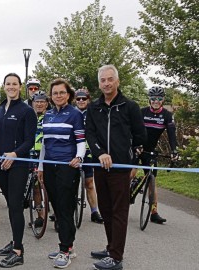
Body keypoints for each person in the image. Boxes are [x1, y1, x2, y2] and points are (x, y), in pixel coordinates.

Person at [86, 65, 147, 270]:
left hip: (121, 168)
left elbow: (140, 137)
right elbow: (90, 134)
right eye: (103, 80)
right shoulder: (94, 107)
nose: (106, 83)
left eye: (110, 79)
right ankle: (111, 247)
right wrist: (100, 153)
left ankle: (116, 257)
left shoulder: (130, 106)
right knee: (105, 210)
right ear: (99, 83)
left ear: (117, 81)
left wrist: (132, 161)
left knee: (119, 212)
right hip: (100, 167)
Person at [0, 73, 36, 268]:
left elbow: (29, 141)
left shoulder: (27, 111)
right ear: (4, 86)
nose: (11, 87)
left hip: (18, 165)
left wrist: (14, 154)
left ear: (20, 86)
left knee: (16, 206)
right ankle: (15, 241)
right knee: (11, 205)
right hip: (0, 166)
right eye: (8, 84)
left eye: (14, 84)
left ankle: (18, 251)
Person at [38, 78, 86, 269]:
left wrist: (79, 158)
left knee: (66, 208)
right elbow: (44, 143)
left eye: (62, 92)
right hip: (49, 167)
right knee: (57, 208)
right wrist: (40, 167)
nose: (58, 96)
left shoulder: (75, 114)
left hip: (67, 166)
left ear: (69, 94)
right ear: (51, 96)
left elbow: (81, 140)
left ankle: (65, 249)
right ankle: (68, 245)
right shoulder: (47, 115)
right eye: (55, 93)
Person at [129, 86, 178, 224]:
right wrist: (136, 145)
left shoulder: (167, 115)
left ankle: (154, 212)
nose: (156, 101)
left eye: (159, 98)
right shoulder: (142, 112)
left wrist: (174, 151)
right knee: (131, 173)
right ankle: (123, 200)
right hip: (137, 147)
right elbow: (133, 130)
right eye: (153, 98)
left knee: (152, 181)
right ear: (149, 99)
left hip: (150, 150)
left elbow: (172, 135)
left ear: (163, 100)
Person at [74, 88, 104, 224]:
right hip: (72, 152)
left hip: (88, 152)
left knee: (89, 183)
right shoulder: (71, 112)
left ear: (88, 100)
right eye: (78, 98)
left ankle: (94, 211)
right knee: (69, 183)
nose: (81, 101)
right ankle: (63, 210)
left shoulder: (93, 113)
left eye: (83, 99)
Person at [29, 91, 50, 228]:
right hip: (31, 154)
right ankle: (40, 216)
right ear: (33, 103)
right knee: (36, 186)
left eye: (42, 101)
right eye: (37, 101)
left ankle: (58, 216)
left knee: (50, 187)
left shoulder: (51, 117)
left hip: (48, 155)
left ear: (47, 104)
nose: (39, 104)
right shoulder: (29, 116)